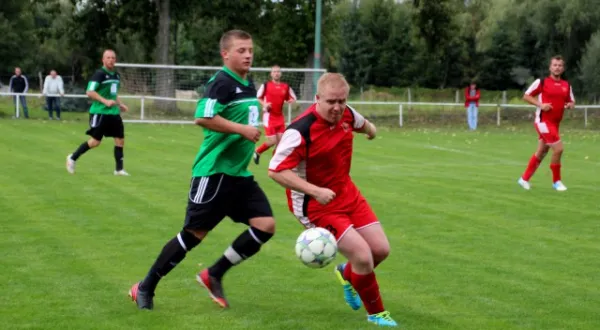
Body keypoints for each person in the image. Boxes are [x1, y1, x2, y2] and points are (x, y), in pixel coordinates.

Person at [128, 29, 276, 311]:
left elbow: (249, 126)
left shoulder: (248, 84)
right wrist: (241, 129)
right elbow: (202, 117)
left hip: (238, 175)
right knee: (193, 235)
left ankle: (214, 274)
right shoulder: (221, 82)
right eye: (241, 50)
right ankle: (145, 287)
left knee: (265, 225)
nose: (248, 55)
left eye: (250, 50)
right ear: (226, 54)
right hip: (214, 173)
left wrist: (268, 138)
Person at [268, 73, 398, 327]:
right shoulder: (300, 130)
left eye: (342, 101)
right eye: (330, 102)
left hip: (346, 192)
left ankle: (345, 274)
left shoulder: (346, 114)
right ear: (317, 99)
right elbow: (275, 170)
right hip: (315, 204)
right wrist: (315, 191)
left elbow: (362, 123)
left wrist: (371, 130)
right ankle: (377, 314)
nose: (337, 107)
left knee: (380, 250)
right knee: (362, 257)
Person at [65, 49, 130, 176]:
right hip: (100, 112)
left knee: (120, 140)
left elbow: (113, 93)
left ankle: (119, 169)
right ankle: (72, 158)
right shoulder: (99, 74)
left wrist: (120, 104)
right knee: (95, 142)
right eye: (108, 58)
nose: (111, 60)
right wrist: (105, 101)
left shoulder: (116, 76)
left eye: (113, 58)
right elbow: (89, 92)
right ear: (103, 60)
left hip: (113, 113)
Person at [518, 55, 575, 191]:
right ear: (550, 67)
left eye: (560, 65)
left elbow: (571, 101)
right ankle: (557, 182)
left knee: (542, 151)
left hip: (555, 124)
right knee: (559, 149)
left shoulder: (566, 85)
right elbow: (526, 96)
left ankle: (523, 179)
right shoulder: (542, 82)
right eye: (554, 65)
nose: (557, 67)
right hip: (543, 122)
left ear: (563, 68)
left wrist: (570, 105)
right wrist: (540, 104)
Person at [253, 65, 297, 164]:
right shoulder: (266, 85)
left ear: (280, 74)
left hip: (279, 117)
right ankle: (258, 151)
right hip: (269, 117)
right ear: (271, 74)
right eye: (274, 72)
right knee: (272, 141)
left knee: (281, 143)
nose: (276, 73)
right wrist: (264, 104)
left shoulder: (285, 86)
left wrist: (290, 100)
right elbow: (258, 97)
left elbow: (293, 97)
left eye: (278, 71)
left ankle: (274, 163)